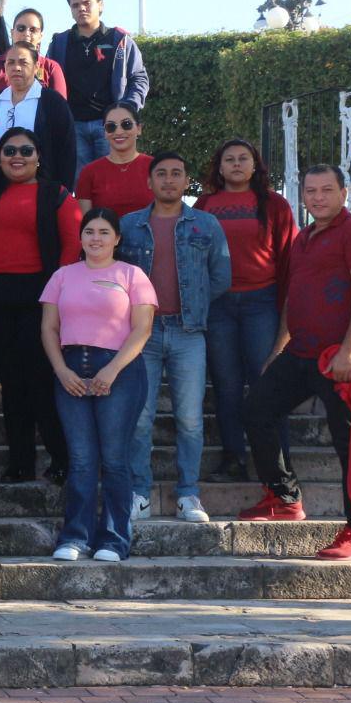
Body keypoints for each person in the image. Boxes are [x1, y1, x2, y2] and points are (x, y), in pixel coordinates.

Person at [237, 165, 351, 560]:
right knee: (256, 410)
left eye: (326, 190)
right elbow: (294, 299)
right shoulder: (303, 239)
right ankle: (285, 499)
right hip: (300, 353)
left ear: (343, 192)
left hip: (341, 359)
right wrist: (276, 352)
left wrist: (349, 350)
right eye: (311, 191)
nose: (318, 197)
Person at [118, 151, 231, 526]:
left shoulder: (206, 225)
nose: (168, 180)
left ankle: (187, 493)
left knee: (190, 419)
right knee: (139, 417)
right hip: (143, 334)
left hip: (188, 333)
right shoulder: (129, 226)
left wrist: (194, 304)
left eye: (176, 174)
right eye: (161, 174)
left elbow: (220, 277)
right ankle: (140, 493)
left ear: (186, 181)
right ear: (149, 182)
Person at [39, 207, 157, 562]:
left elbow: (142, 329)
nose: (96, 238)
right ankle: (75, 537)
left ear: (117, 238)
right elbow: (49, 328)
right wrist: (61, 371)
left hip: (119, 370)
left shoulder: (132, 275)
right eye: (89, 231)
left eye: (104, 232)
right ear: (80, 238)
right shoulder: (62, 276)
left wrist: (112, 371)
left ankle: (115, 539)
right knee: (81, 460)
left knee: (115, 459)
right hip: (71, 367)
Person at [0, 128, 81, 483]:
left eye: (26, 150)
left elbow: (72, 243)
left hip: (40, 296)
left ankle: (61, 459)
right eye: (10, 150)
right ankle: (20, 462)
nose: (18, 156)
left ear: (39, 157)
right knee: (11, 382)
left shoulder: (55, 193)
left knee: (41, 379)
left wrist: (57, 294)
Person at [197, 139, 297, 482]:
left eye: (244, 159)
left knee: (266, 384)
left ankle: (277, 465)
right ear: (219, 167)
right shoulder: (205, 204)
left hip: (261, 302)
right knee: (226, 386)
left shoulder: (275, 205)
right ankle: (233, 459)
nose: (237, 164)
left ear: (255, 165)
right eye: (229, 159)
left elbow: (290, 258)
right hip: (218, 305)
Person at [44, 0, 149, 175]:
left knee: (112, 180)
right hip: (73, 124)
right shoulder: (60, 43)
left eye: (86, 3)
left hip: (109, 125)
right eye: (75, 5)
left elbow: (139, 78)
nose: (81, 8)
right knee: (82, 182)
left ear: (100, 5)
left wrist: (128, 108)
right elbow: (48, 81)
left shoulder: (120, 40)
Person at [0, 40, 78, 190]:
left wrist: (62, 192)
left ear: (36, 66)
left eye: (23, 63)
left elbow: (67, 151)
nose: (16, 68)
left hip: (41, 189)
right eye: (10, 62)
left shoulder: (52, 102)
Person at [0, 7, 68, 108]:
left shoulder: (51, 67)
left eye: (33, 30)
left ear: (40, 36)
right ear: (12, 33)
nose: (26, 34)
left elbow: (60, 107)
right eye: (21, 28)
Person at [77, 104, 153, 216]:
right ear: (105, 132)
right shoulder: (89, 172)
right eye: (111, 126)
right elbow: (86, 224)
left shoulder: (155, 167)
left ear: (139, 128)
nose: (118, 132)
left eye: (126, 124)